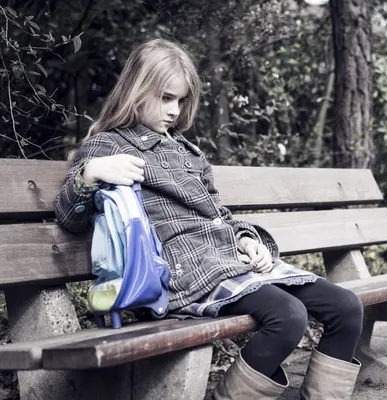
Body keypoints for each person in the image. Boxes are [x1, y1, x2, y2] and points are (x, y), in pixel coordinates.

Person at [55, 38, 363, 400]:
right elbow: (68, 216)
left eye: (181, 100)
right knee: (288, 316)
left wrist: (249, 240)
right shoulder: (108, 145)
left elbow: (220, 214)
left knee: (346, 306)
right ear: (136, 91)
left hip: (229, 261)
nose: (174, 110)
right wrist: (91, 173)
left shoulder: (188, 151)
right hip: (186, 276)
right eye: (166, 98)